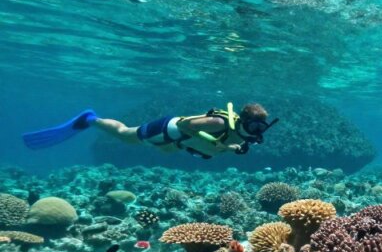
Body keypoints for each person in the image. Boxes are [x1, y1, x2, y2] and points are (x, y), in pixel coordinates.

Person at [22, 103, 277, 159]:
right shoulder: (220, 124)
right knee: (126, 135)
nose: (256, 131)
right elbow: (188, 126)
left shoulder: (240, 131)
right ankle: (91, 119)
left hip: (176, 141)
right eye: (253, 126)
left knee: (163, 152)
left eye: (260, 128)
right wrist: (215, 143)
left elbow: (221, 145)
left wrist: (230, 147)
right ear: (242, 120)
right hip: (167, 129)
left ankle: (92, 120)